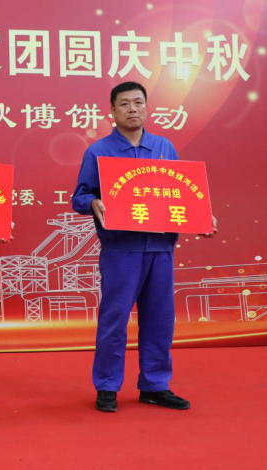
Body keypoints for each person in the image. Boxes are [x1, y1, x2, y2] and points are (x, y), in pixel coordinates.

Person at [71, 81, 217, 413]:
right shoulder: (98, 151)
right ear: (112, 111)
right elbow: (79, 196)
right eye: (124, 104)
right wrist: (92, 202)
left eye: (138, 102)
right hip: (121, 249)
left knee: (160, 319)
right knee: (114, 319)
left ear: (147, 108)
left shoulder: (164, 147)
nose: (132, 109)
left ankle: (155, 385)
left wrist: (202, 216)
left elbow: (182, 192)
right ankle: (107, 386)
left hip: (161, 248)